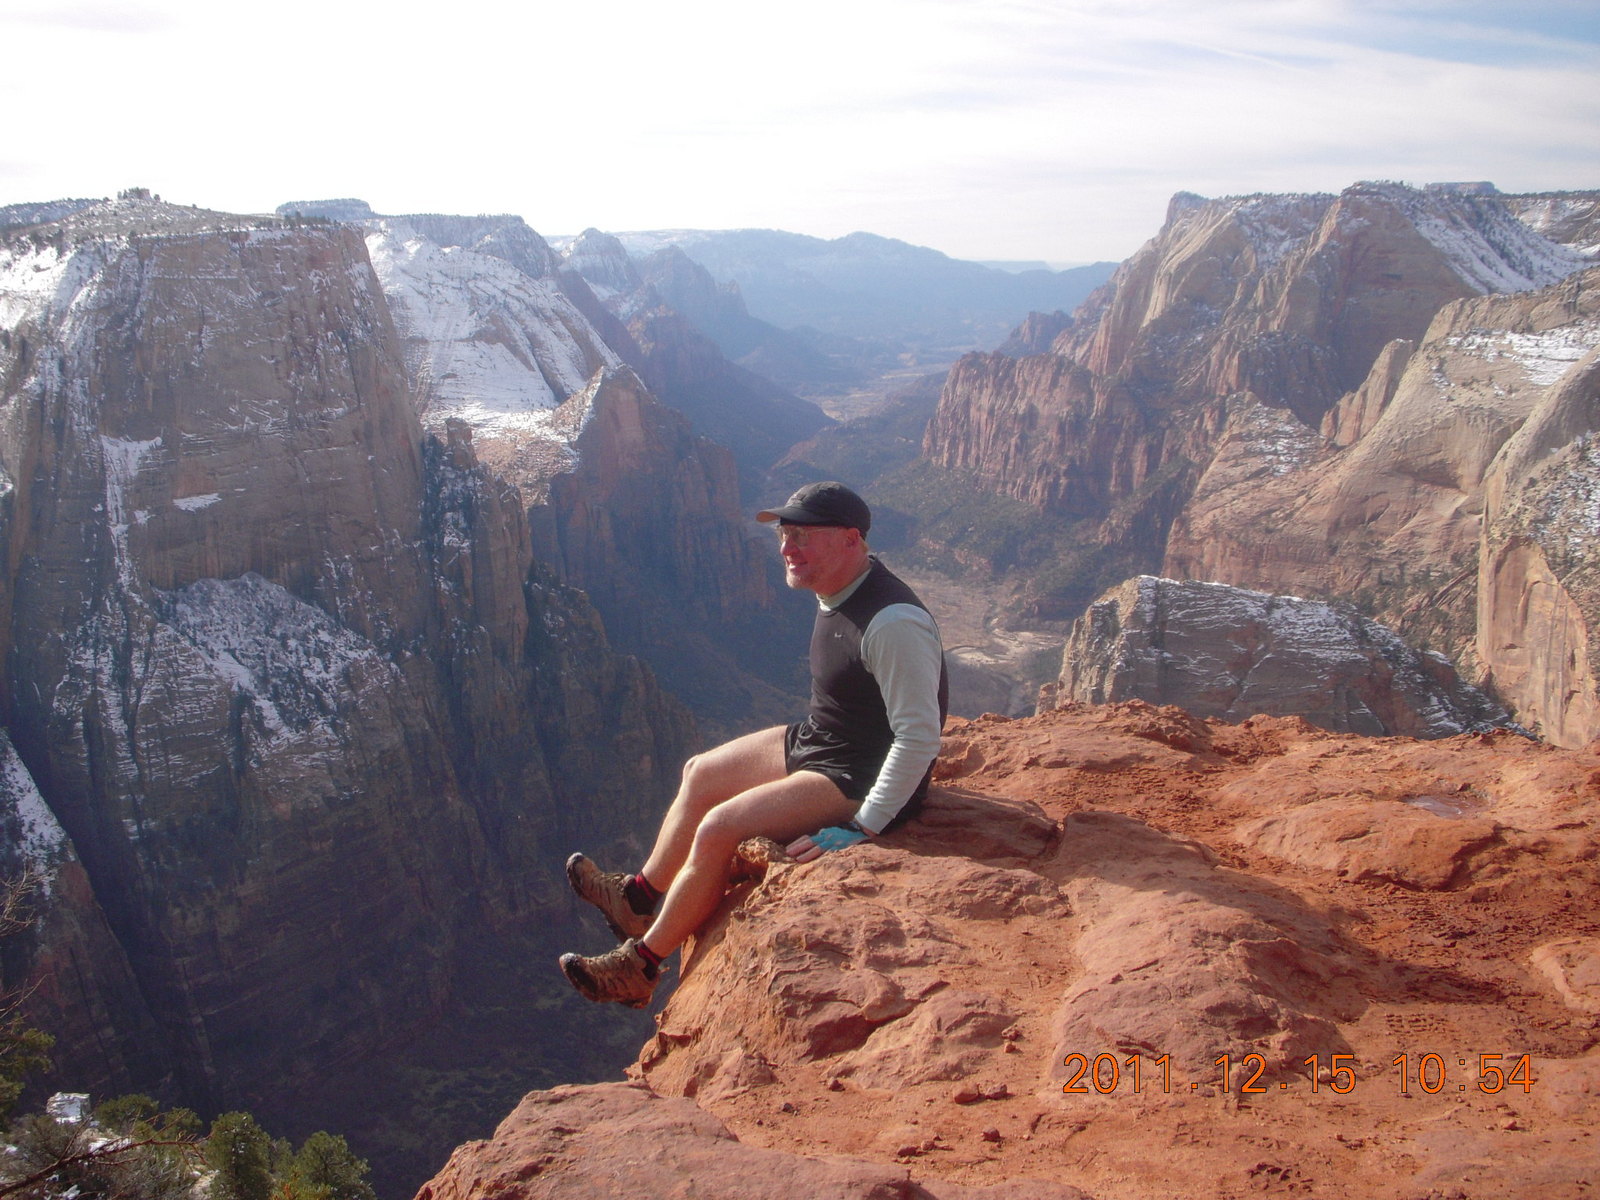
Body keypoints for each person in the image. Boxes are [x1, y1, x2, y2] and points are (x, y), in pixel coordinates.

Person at [559, 481, 948, 1007]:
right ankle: (637, 899)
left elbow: (919, 736)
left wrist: (864, 826)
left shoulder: (893, 622)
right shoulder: (840, 584)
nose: (787, 547)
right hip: (825, 740)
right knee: (700, 772)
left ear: (852, 539)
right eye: (784, 534)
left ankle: (639, 968)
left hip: (861, 774)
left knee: (720, 827)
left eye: (803, 535)